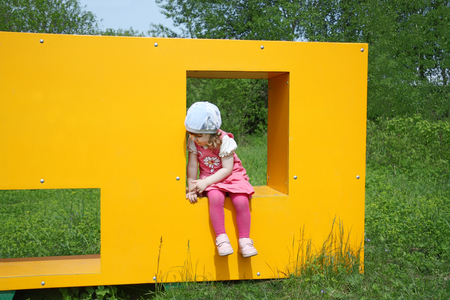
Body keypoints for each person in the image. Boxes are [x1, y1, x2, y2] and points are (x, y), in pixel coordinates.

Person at [185, 102, 258, 258]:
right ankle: (221, 239)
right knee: (215, 198)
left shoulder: (224, 140)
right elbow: (192, 166)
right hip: (210, 177)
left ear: (212, 133)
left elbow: (227, 169)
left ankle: (245, 240)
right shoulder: (193, 141)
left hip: (231, 175)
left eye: (198, 135)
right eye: (191, 133)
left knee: (241, 200)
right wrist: (192, 187)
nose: (193, 138)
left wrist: (205, 183)